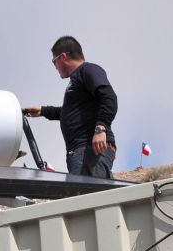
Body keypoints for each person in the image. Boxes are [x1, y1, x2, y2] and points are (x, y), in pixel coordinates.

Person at [25, 36, 117, 178]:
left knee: (88, 197)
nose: (55, 67)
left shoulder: (88, 70)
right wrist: (43, 111)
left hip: (89, 149)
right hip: (81, 152)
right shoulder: (77, 79)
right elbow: (72, 112)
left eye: (54, 61)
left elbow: (109, 97)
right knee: (86, 196)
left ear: (63, 57)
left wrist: (100, 128)